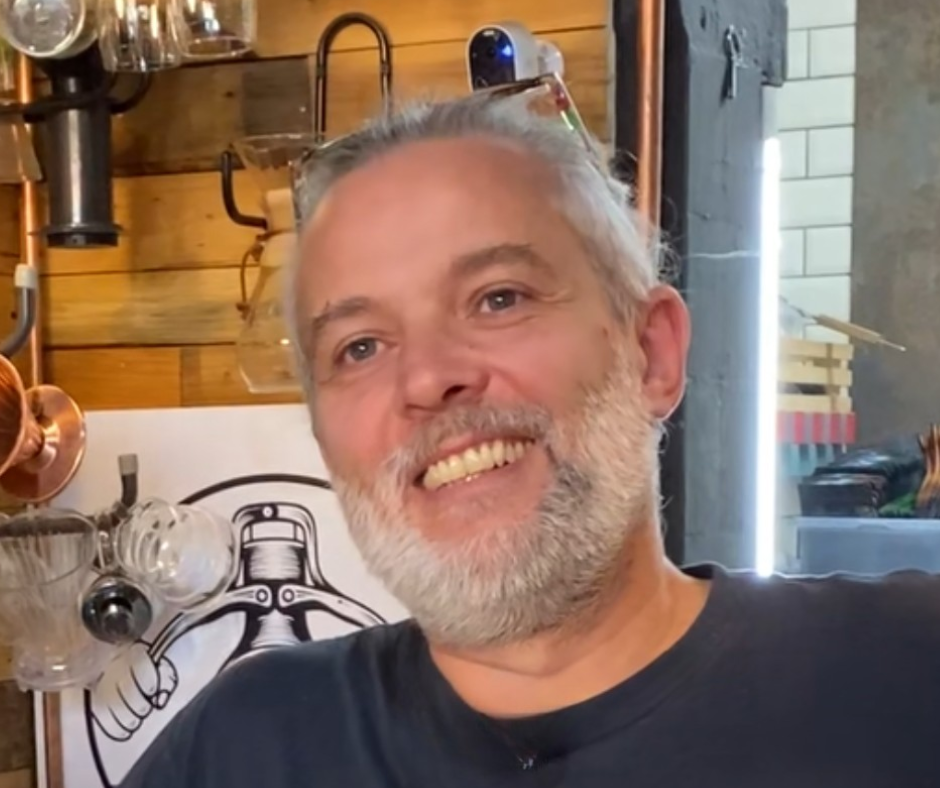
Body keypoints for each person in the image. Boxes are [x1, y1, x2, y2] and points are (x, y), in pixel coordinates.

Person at [119, 92, 940, 787]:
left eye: (498, 297)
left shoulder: (905, 677)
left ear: (651, 352)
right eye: (359, 346)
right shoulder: (250, 747)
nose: (427, 378)